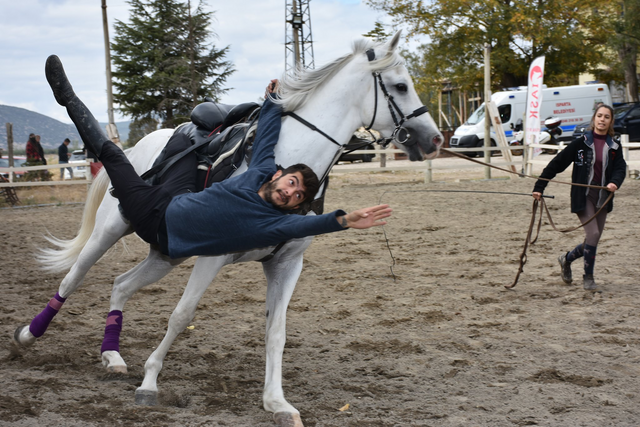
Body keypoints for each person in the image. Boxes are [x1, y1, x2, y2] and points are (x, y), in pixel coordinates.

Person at [45, 54, 391, 259]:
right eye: (292, 182)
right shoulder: (260, 173)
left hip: (162, 236)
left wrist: (343, 220)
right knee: (113, 154)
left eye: (298, 195)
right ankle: (68, 98)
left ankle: (71, 102)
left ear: (293, 204)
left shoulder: (273, 223)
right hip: (163, 203)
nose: (291, 192)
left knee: (113, 158)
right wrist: (270, 102)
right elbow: (267, 139)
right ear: (278, 174)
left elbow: (309, 223)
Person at [532, 104, 626, 291]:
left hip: (603, 198)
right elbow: (557, 164)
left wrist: (615, 182)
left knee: (593, 239)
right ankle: (588, 279)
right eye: (599, 116)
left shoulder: (615, 146)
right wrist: (539, 186)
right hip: (583, 197)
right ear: (594, 119)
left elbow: (620, 168)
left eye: (606, 117)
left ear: (610, 121)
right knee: (593, 234)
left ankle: (566, 259)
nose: (602, 120)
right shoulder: (581, 143)